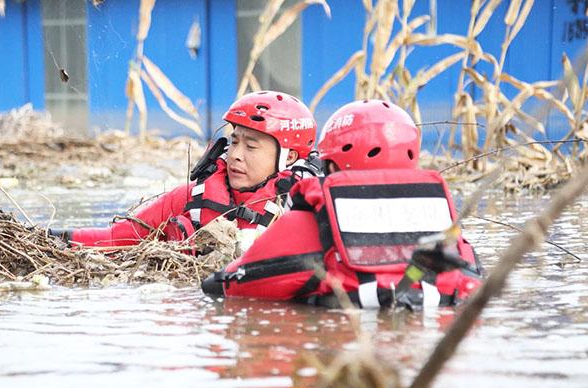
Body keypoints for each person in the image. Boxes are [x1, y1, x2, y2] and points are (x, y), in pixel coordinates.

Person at [201, 99, 483, 309]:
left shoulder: (307, 223)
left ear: (332, 164)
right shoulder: (439, 217)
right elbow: (471, 283)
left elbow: (227, 286)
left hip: (350, 353)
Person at [51, 91, 318, 247]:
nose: (235, 155)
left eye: (251, 147)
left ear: (289, 157)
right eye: (234, 142)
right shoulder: (191, 197)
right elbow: (116, 239)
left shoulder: (304, 208)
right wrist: (52, 238)